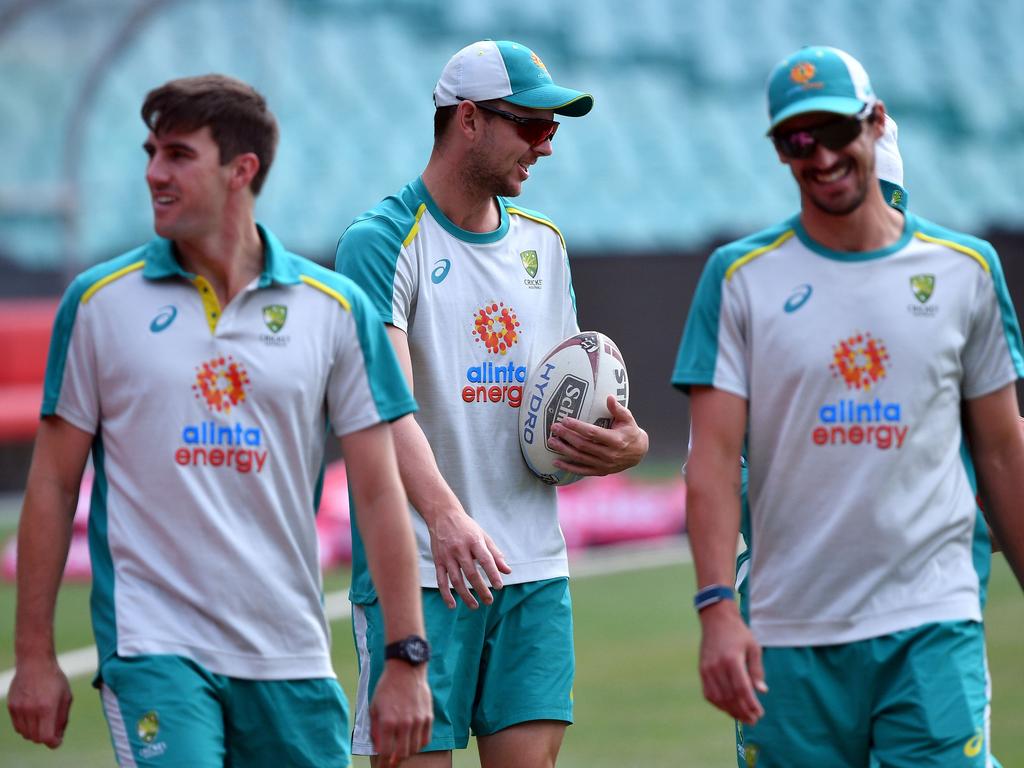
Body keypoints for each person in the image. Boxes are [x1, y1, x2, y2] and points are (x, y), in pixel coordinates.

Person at [6, 74, 431, 767]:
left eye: (177, 154)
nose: (153, 173)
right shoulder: (97, 305)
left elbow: (380, 493)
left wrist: (406, 659)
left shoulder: (335, 309)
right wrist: (34, 655)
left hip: (291, 652)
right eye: (150, 152)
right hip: (153, 648)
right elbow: (52, 484)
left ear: (242, 171)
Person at [673, 46, 1024, 767]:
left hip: (932, 624)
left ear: (876, 123)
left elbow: (1001, 450)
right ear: (780, 151)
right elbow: (708, 461)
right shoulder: (738, 280)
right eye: (799, 140)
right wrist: (716, 610)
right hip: (789, 632)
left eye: (837, 131)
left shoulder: (967, 272)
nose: (822, 155)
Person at [336, 40, 648, 767]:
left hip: (531, 569)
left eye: (553, 129)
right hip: (419, 572)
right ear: (468, 119)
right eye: (531, 126)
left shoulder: (546, 245)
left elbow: (572, 399)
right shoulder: (379, 242)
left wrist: (621, 448)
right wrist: (445, 517)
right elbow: (385, 408)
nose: (545, 146)